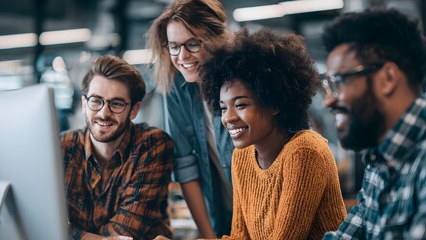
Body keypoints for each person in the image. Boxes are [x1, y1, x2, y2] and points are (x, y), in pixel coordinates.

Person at [159, 28, 346, 240]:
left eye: (240, 105)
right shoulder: (242, 157)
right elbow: (239, 237)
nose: (227, 118)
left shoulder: (305, 151)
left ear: (273, 102)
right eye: (222, 108)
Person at [321, 8, 426, 239]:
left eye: (339, 82)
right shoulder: (379, 159)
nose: (328, 100)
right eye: (327, 86)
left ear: (388, 78)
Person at [61, 55, 173, 240]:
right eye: (96, 101)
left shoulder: (152, 145)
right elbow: (44, 220)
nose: (104, 113)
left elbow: (124, 232)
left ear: (134, 110)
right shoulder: (62, 148)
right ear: (84, 104)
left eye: (116, 104)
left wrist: (71, 234)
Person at [147, 0, 233, 237]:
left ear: (218, 38)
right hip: (221, 214)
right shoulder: (175, 84)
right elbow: (185, 167)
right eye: (174, 46)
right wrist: (209, 236)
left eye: (193, 43)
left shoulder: (241, 79)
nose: (182, 56)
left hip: (265, 213)